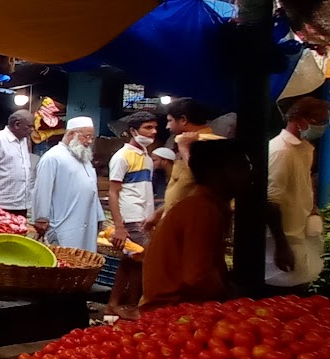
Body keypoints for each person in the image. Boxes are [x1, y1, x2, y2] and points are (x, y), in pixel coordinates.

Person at [142, 140, 280, 311]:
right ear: (215, 173)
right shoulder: (202, 209)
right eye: (241, 167)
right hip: (174, 311)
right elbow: (197, 278)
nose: (250, 174)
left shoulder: (208, 206)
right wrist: (232, 294)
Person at [265, 97, 330, 291]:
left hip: (300, 231)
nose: (321, 126)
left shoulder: (305, 149)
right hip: (283, 237)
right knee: (284, 290)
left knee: (302, 283)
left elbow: (304, 183)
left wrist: (313, 208)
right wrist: (281, 245)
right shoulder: (280, 152)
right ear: (298, 119)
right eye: (318, 121)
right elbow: (271, 202)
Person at [106, 112, 159, 316]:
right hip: (131, 217)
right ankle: (127, 304)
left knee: (131, 262)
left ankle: (119, 304)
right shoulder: (122, 157)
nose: (153, 132)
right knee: (140, 260)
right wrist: (119, 226)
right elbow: (113, 192)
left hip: (144, 217)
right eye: (147, 127)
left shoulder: (146, 156)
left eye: (154, 127)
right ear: (133, 131)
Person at [32, 116, 105, 253]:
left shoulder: (83, 157)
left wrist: (99, 216)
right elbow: (42, 190)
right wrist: (41, 218)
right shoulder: (53, 157)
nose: (89, 141)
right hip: (63, 224)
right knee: (65, 258)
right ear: (71, 134)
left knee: (84, 259)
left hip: (87, 222)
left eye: (92, 138)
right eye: (86, 137)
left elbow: (92, 189)